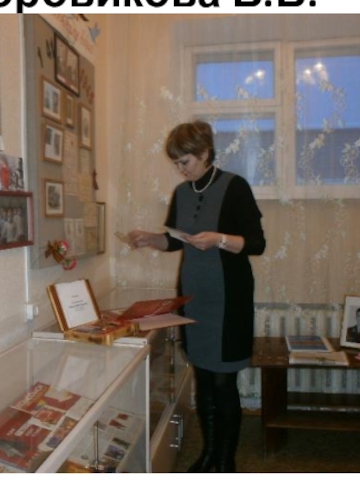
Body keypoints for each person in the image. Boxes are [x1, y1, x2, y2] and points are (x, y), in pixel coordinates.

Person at [128, 121, 265, 473]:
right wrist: (151, 239)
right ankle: (208, 455)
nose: (180, 169)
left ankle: (225, 462)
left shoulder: (235, 186)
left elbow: (256, 243)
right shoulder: (182, 192)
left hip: (228, 298)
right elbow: (175, 241)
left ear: (205, 153)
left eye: (185, 161)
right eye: (176, 163)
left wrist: (219, 239)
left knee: (223, 381)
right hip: (194, 296)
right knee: (203, 378)